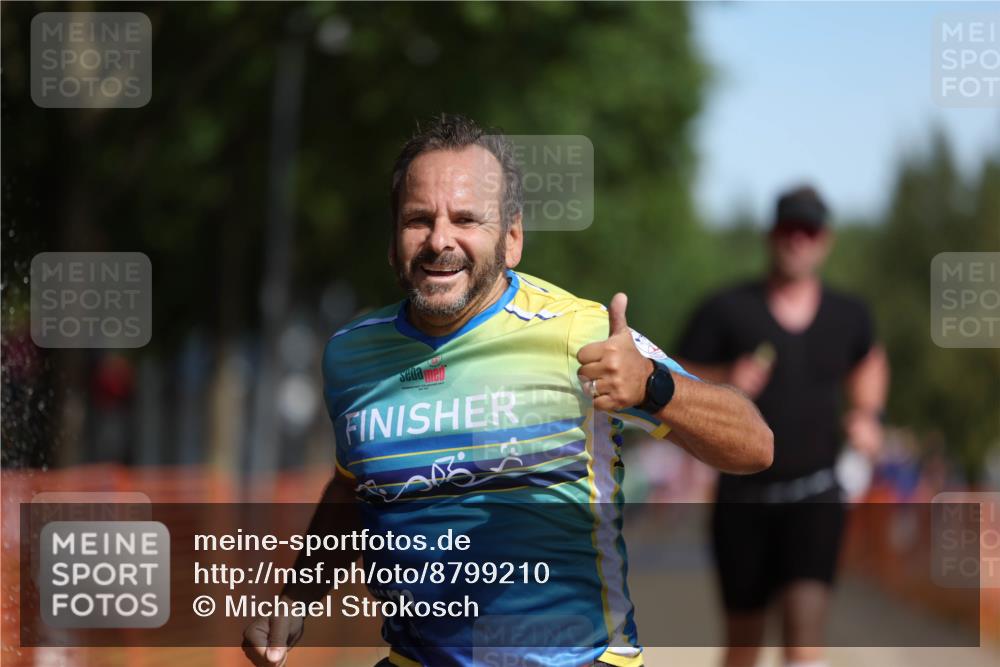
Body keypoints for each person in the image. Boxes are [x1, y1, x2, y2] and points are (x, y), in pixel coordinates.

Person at [242, 113, 773, 667]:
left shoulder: (578, 332)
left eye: (465, 219)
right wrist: (296, 598)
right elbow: (352, 489)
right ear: (393, 240)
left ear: (511, 239)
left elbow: (756, 445)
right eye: (418, 219)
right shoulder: (351, 356)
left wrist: (652, 386)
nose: (439, 240)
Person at [675, 186, 889, 667]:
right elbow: (672, 374)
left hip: (816, 495)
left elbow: (870, 361)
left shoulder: (848, 314)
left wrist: (868, 414)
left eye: (808, 230)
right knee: (743, 645)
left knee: (804, 637)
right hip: (741, 500)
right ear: (771, 235)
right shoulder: (726, 309)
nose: (797, 240)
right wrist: (725, 378)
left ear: (825, 240)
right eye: (789, 229)